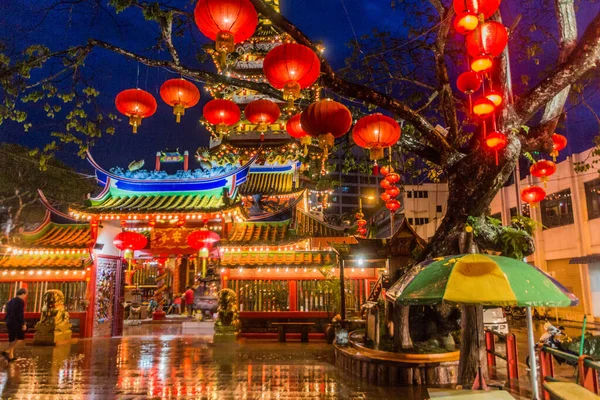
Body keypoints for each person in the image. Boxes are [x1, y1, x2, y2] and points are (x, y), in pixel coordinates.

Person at [3, 288, 27, 362]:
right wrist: (23, 323)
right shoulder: (20, 301)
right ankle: (7, 350)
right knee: (20, 338)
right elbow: (20, 313)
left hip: (9, 321)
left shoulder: (11, 301)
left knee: (12, 338)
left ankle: (10, 356)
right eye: (25, 295)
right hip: (16, 322)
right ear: (23, 294)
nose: (25, 296)